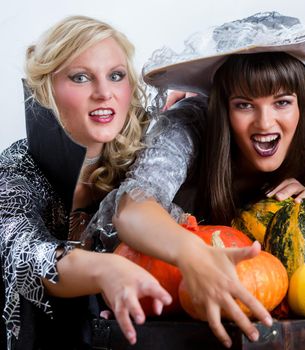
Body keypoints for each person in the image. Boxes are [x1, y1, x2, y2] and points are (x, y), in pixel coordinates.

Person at [86, 12, 305, 348]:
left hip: (249, 308)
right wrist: (193, 253)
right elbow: (132, 209)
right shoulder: (186, 128)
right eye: (244, 105)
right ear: (222, 107)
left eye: (282, 102)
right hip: (145, 297)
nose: (265, 123)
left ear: (302, 105)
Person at [0, 16, 174, 349]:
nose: (104, 93)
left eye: (116, 76)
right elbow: (28, 254)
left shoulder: (144, 169)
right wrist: (107, 270)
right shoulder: (14, 170)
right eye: (81, 77)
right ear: (46, 89)